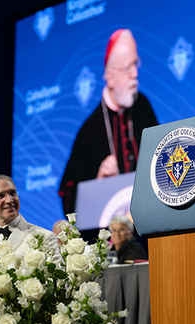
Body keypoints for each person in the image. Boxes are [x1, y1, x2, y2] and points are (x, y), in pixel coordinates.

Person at [59, 29, 158, 215]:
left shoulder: (143, 106)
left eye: (136, 64)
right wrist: (98, 181)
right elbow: (69, 193)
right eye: (128, 68)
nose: (135, 73)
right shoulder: (90, 129)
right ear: (110, 78)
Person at [0, 174, 62, 262]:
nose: (9, 200)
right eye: (1, 196)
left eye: (12, 193)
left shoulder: (45, 237)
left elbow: (57, 274)